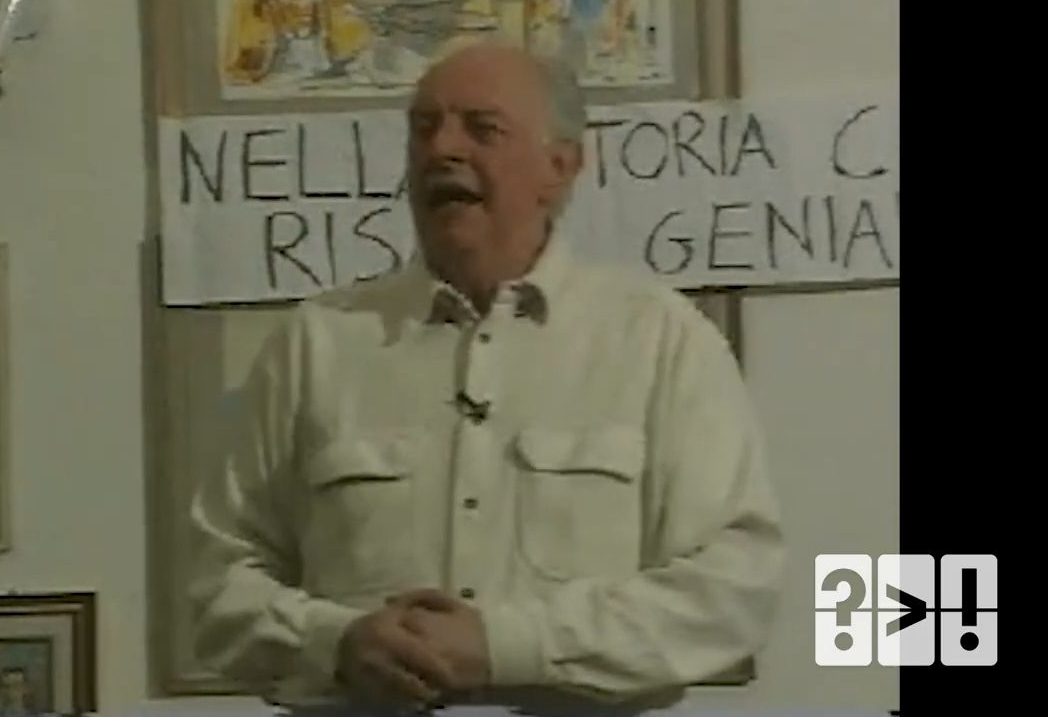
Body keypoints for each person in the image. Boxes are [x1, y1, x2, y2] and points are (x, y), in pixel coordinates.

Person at [187, 39, 784, 716]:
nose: (442, 149)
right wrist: (336, 643)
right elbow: (217, 584)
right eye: (424, 128)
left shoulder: (660, 341)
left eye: (482, 128)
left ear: (560, 167)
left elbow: (730, 589)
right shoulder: (316, 343)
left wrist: (509, 645)